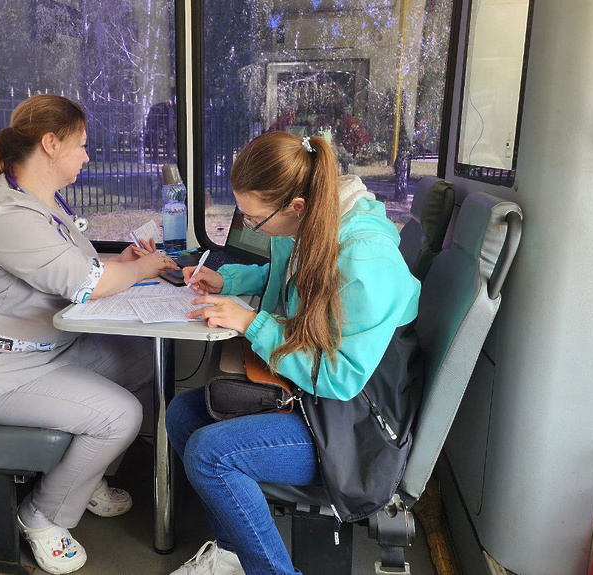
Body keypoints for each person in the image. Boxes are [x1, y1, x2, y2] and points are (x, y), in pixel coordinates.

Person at [165, 131, 422, 575]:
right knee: (183, 415)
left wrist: (251, 323)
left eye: (254, 219)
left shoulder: (365, 260)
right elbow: (286, 275)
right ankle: (232, 554)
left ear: (295, 207)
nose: (250, 227)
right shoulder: (311, 224)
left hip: (355, 425)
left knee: (210, 453)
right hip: (317, 399)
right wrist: (229, 280)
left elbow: (341, 377)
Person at [0, 94, 178, 575]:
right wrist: (143, 268)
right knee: (120, 415)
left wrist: (120, 263)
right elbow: (87, 284)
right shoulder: (7, 214)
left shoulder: (42, 202)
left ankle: (84, 478)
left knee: (143, 361)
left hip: (49, 350)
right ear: (51, 143)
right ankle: (42, 516)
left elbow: (77, 267)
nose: (87, 156)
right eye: (82, 145)